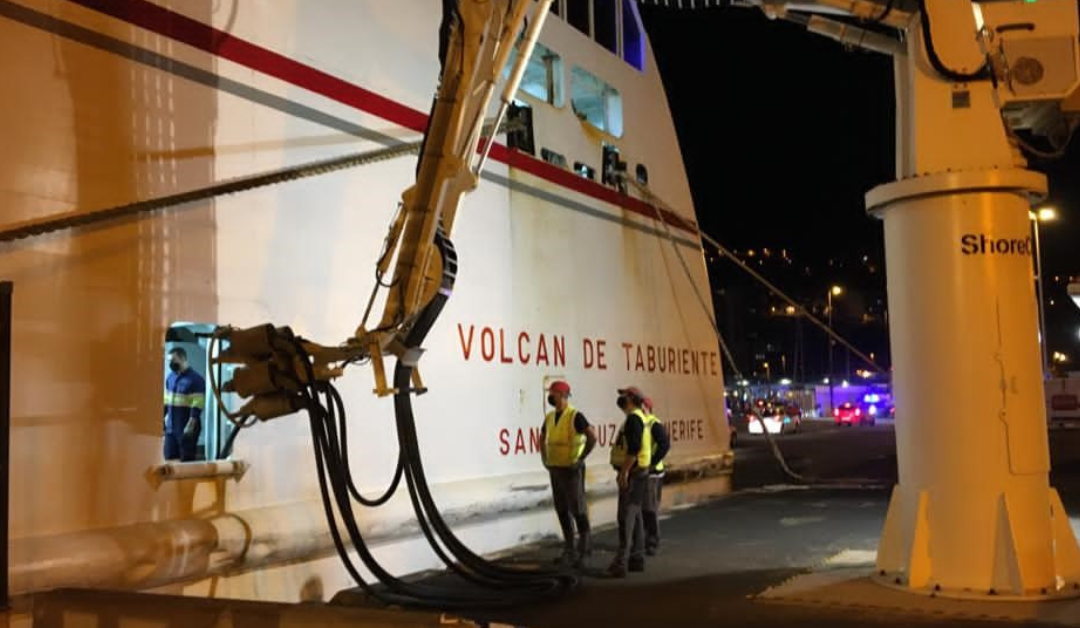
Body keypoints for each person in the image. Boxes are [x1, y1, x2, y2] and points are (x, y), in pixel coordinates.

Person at [541, 380, 597, 567]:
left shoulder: (575, 416)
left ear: (561, 395)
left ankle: (585, 551)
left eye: (552, 393)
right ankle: (570, 549)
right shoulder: (549, 417)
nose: (550, 396)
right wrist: (545, 459)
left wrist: (580, 459)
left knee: (578, 510)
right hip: (556, 469)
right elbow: (543, 436)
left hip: (572, 470)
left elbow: (592, 436)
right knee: (562, 509)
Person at [608, 386, 653, 577]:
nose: (620, 399)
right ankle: (637, 558)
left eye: (623, 396)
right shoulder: (635, 418)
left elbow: (633, 449)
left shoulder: (634, 419)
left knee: (625, 517)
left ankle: (621, 563)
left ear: (632, 398)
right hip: (638, 472)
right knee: (635, 516)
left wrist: (624, 473)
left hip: (633, 474)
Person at [163, 347, 206, 462]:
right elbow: (166, 401)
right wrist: (162, 419)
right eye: (168, 361)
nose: (170, 364)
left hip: (187, 427)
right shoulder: (170, 378)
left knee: (186, 463)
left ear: (182, 359)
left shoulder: (196, 380)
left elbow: (197, 404)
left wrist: (190, 425)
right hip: (171, 428)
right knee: (169, 461)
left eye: (173, 360)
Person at [641, 397, 671, 556]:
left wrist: (652, 462)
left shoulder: (653, 423)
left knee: (649, 508)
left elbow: (665, 444)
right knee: (644, 509)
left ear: (646, 407)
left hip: (652, 473)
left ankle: (653, 541)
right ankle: (644, 540)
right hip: (643, 472)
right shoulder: (641, 422)